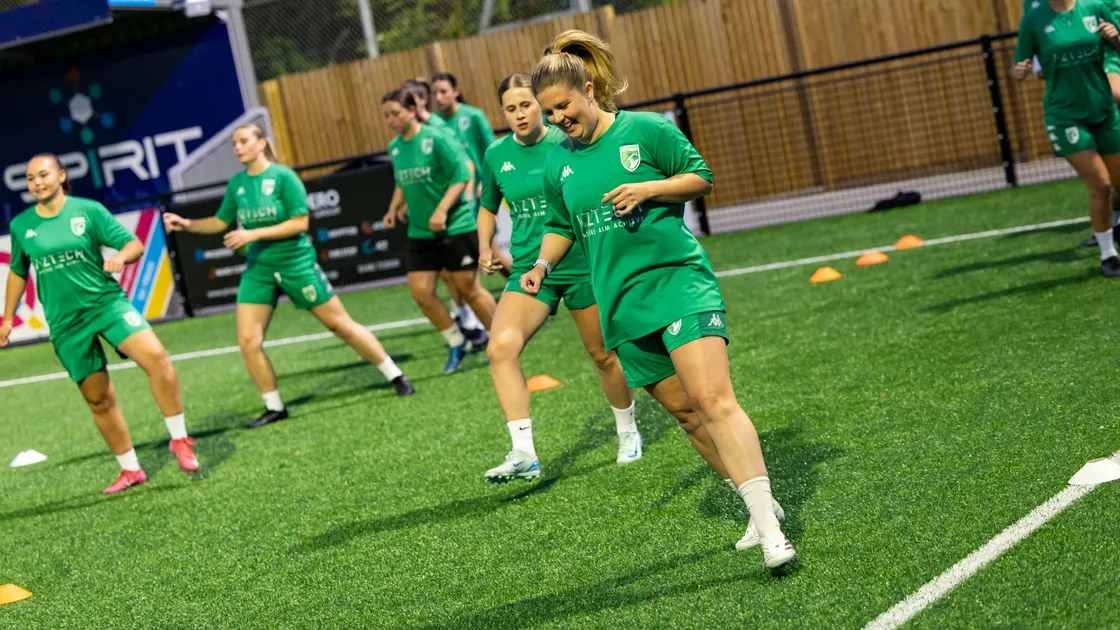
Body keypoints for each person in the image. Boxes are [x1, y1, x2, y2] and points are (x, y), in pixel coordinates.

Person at [520, 30, 795, 570]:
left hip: (678, 284)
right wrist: (540, 266)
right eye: (549, 112)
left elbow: (701, 177)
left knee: (712, 400)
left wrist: (648, 189)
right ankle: (759, 507)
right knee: (688, 416)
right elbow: (560, 224)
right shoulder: (558, 164)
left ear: (589, 90)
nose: (557, 119)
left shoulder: (645, 130)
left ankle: (771, 532)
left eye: (563, 106)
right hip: (621, 306)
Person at [163, 124, 414, 428]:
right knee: (248, 341)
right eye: (234, 143)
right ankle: (274, 407)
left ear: (262, 144)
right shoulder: (237, 184)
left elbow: (300, 223)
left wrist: (253, 233)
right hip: (259, 269)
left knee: (340, 325)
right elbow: (219, 222)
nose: (237, 147)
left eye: (243, 141)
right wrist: (186, 224)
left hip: (296, 263)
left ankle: (395, 375)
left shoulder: (284, 177)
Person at [476, 72, 642, 483]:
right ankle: (523, 453)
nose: (520, 114)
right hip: (530, 269)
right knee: (500, 349)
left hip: (581, 262)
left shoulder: (567, 142)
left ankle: (628, 432)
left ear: (541, 105)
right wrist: (485, 248)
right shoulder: (496, 155)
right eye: (510, 109)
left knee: (603, 355)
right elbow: (487, 206)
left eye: (526, 105)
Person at [1, 154, 199, 494]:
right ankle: (130, 470)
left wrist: (119, 257)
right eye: (31, 178)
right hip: (65, 323)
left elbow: (133, 244)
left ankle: (179, 438)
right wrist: (7, 319)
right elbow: (18, 271)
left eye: (44, 175)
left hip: (106, 304)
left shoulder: (88, 211)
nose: (37, 183)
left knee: (157, 358)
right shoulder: (21, 225)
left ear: (61, 175)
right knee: (98, 400)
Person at [381, 88, 497, 373]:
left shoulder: (436, 138)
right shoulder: (395, 147)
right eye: (386, 115)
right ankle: (457, 341)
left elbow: (463, 174)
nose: (390, 120)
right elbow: (402, 182)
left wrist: (442, 210)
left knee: (469, 289)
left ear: (412, 110)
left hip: (456, 226)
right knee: (421, 293)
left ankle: (501, 344)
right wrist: (393, 208)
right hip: (421, 232)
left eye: (395, 113)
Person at [1014, 0, 1120, 276]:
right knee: (1101, 184)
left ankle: (1115, 226)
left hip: (1104, 111)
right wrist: (1020, 71)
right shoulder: (1034, 19)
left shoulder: (1095, 8)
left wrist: (1116, 37)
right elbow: (1020, 66)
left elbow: (1115, 54)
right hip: (1065, 115)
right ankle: (1108, 255)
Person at [403, 79, 493, 347]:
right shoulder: (414, 134)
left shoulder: (444, 126)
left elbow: (469, 163)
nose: (438, 97)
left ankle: (520, 303)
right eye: (435, 93)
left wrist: (482, 184)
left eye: (442, 91)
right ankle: (470, 322)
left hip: (462, 207)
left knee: (489, 259)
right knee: (449, 274)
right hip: (441, 216)